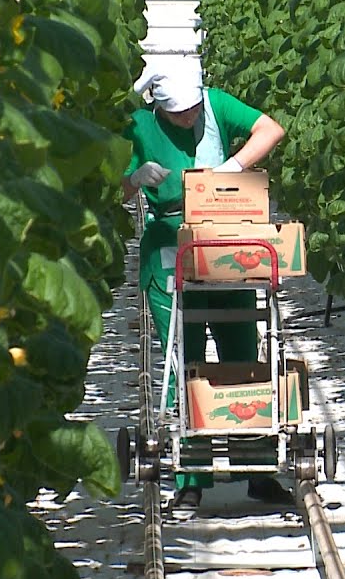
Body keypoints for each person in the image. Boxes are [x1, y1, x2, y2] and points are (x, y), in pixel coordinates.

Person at [123, 56, 289, 509]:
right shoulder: (138, 127)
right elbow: (111, 186)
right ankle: (190, 478)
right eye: (179, 112)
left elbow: (270, 130)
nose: (190, 117)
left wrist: (233, 168)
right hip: (170, 247)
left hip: (222, 242)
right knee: (184, 358)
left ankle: (255, 469)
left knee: (242, 356)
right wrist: (135, 179)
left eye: (192, 108)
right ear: (159, 106)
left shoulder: (216, 106)